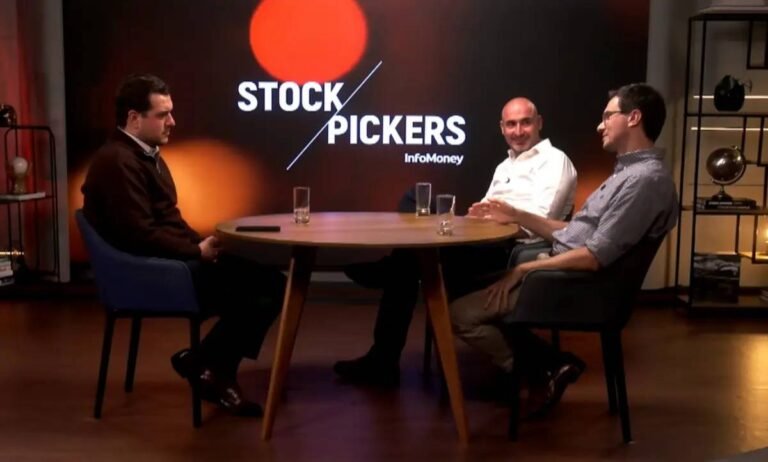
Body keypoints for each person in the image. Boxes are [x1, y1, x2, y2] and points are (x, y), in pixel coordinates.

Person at [449, 83, 678, 418]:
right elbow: (574, 233)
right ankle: (549, 366)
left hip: (578, 286)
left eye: (607, 117)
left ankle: (539, 371)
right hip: (559, 271)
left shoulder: (644, 181)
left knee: (459, 314)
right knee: (465, 286)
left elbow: (594, 256)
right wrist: (516, 215)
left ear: (633, 118)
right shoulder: (630, 173)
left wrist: (524, 270)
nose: (599, 125)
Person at [335, 97, 578, 386]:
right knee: (414, 204)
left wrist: (506, 218)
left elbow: (543, 223)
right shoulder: (505, 166)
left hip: (508, 249)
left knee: (406, 262)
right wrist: (474, 217)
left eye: (525, 123)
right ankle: (384, 341)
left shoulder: (555, 161)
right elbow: (486, 208)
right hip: (482, 239)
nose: (518, 131)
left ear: (539, 123)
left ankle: (383, 351)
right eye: (511, 124)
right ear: (502, 128)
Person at [81, 73, 285, 417]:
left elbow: (167, 220)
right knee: (263, 290)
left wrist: (200, 243)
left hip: (167, 263)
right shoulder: (118, 161)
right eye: (163, 114)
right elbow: (140, 234)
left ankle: (206, 363)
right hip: (149, 275)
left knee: (271, 281)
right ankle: (211, 367)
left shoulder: (142, 155)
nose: (172, 122)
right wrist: (195, 252)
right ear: (134, 118)